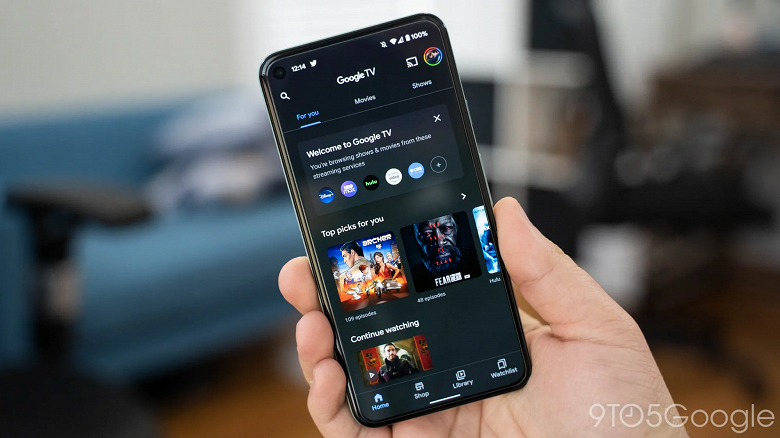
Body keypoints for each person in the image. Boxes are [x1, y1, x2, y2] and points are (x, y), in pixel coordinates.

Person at [278, 197, 688, 437]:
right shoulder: (387, 281)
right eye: (427, 234)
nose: (437, 239)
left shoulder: (471, 262)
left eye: (444, 229)